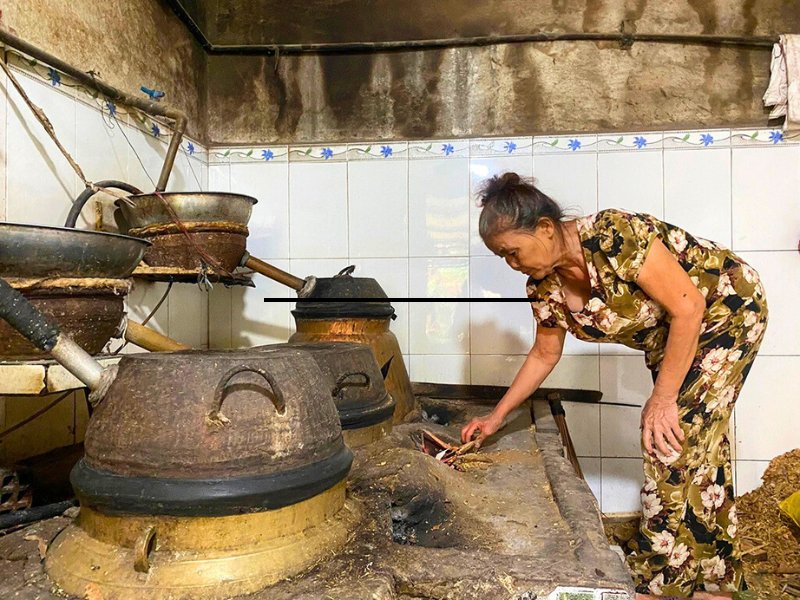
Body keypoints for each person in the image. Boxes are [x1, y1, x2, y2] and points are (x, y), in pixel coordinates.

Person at [461, 173, 768, 599]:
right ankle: (715, 581)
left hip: (724, 314)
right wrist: (496, 417)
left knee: (669, 441)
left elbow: (689, 305)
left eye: (513, 252)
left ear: (546, 229)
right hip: (674, 340)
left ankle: (659, 586)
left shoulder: (612, 234)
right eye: (502, 258)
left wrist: (661, 399)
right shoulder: (543, 286)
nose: (512, 264)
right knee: (700, 448)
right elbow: (544, 354)